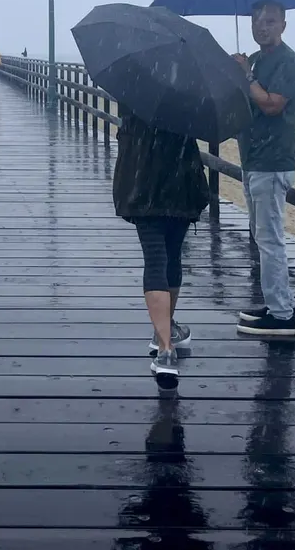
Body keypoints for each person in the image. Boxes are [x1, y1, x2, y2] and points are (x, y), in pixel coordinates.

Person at [114, 111, 209, 392]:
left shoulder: (134, 87)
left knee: (155, 259)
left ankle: (165, 347)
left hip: (144, 183)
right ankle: (163, 333)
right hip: (181, 182)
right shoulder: (189, 94)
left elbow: (127, 132)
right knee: (173, 256)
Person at [233, 0, 295, 337]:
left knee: (271, 238)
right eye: (256, 20)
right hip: (252, 160)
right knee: (262, 237)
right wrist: (238, 73)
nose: (262, 26)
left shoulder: (289, 61)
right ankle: (275, 303)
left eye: (270, 21)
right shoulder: (258, 60)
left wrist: (246, 76)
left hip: (273, 162)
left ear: (283, 25)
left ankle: (282, 315)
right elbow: (244, 98)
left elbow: (272, 104)